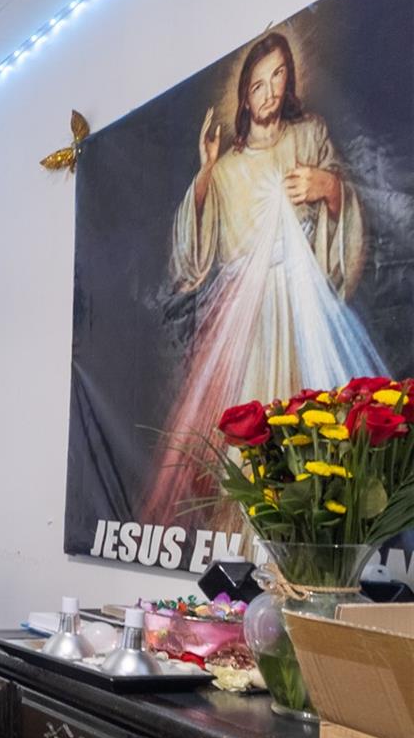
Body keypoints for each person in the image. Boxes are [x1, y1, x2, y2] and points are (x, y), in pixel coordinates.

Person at [143, 31, 384, 521]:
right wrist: (207, 171)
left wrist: (328, 186)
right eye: (258, 84)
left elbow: (346, 217)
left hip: (304, 315)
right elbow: (193, 258)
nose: (270, 91)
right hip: (248, 325)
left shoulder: (309, 136)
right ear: (244, 98)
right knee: (249, 442)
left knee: (311, 437)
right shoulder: (229, 169)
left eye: (278, 77)